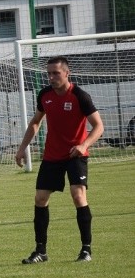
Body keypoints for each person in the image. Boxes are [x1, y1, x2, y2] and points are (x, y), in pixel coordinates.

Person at [15, 56, 104, 264]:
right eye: (49, 73)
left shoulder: (80, 96)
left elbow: (98, 126)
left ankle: (86, 249)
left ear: (67, 73)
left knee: (77, 195)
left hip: (75, 154)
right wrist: (22, 148)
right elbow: (36, 122)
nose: (51, 77)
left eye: (56, 73)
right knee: (40, 199)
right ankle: (40, 251)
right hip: (52, 155)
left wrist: (83, 145)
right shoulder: (44, 95)